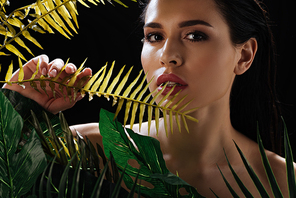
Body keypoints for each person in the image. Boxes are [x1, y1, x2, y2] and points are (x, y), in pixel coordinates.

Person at [2, 0, 295, 197]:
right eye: (154, 36)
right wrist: (11, 116)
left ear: (243, 55)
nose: (168, 56)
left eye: (195, 36)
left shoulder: (282, 182)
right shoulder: (81, 150)